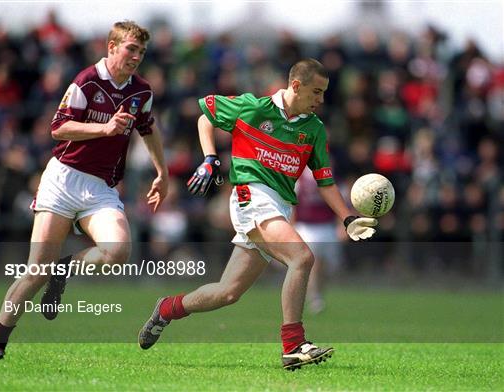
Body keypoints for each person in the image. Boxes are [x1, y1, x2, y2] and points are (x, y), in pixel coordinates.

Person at [138, 58, 377, 370]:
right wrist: (210, 158)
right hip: (250, 197)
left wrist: (347, 218)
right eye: (316, 92)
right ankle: (293, 345)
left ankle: (167, 308)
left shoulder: (314, 130)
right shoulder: (253, 107)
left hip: (278, 209)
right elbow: (205, 118)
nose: (321, 100)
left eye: (323, 93)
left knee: (228, 293)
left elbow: (325, 182)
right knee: (302, 258)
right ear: (296, 86)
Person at [0, 20, 169, 359]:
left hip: (100, 188)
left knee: (118, 251)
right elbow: (58, 128)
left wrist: (162, 171)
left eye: (141, 51)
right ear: (112, 47)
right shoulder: (87, 80)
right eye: (131, 48)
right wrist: (105, 128)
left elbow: (148, 128)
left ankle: (64, 269)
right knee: (35, 271)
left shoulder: (141, 91)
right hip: (63, 180)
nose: (137, 56)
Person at [294, 168, 343, 314]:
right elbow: (292, 201)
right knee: (313, 262)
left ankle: (318, 293)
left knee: (327, 267)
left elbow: (340, 199)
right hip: (306, 226)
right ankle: (314, 297)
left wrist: (342, 224)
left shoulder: (331, 174)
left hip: (327, 226)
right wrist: (291, 225)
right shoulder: (299, 176)